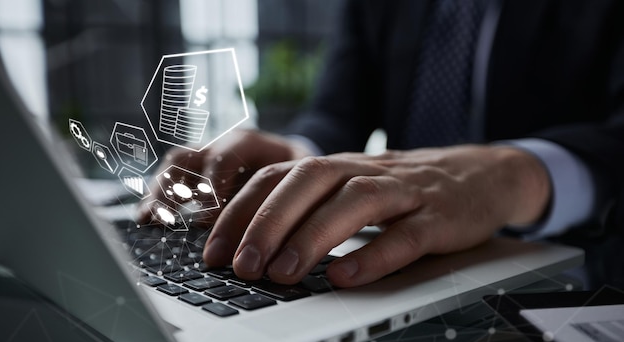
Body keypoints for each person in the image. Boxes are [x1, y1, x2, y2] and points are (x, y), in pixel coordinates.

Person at [140, 0, 624, 289]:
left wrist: (519, 174)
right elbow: (339, 113)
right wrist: (300, 154)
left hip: (577, 276)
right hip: (394, 265)